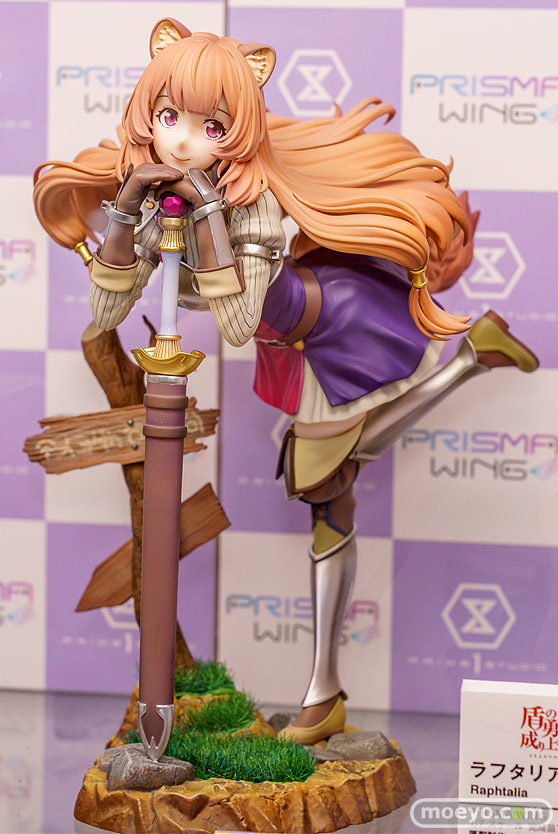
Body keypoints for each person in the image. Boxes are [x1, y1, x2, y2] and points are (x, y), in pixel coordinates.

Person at [34, 19, 538, 744]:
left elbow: (238, 321)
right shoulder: (151, 194)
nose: (184, 141)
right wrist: (124, 211)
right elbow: (109, 309)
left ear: (237, 130)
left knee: (321, 482)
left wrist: (209, 214)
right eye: (170, 117)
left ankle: (468, 360)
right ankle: (324, 693)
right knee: (328, 491)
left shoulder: (251, 201)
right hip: (292, 341)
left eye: (211, 126)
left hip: (333, 323)